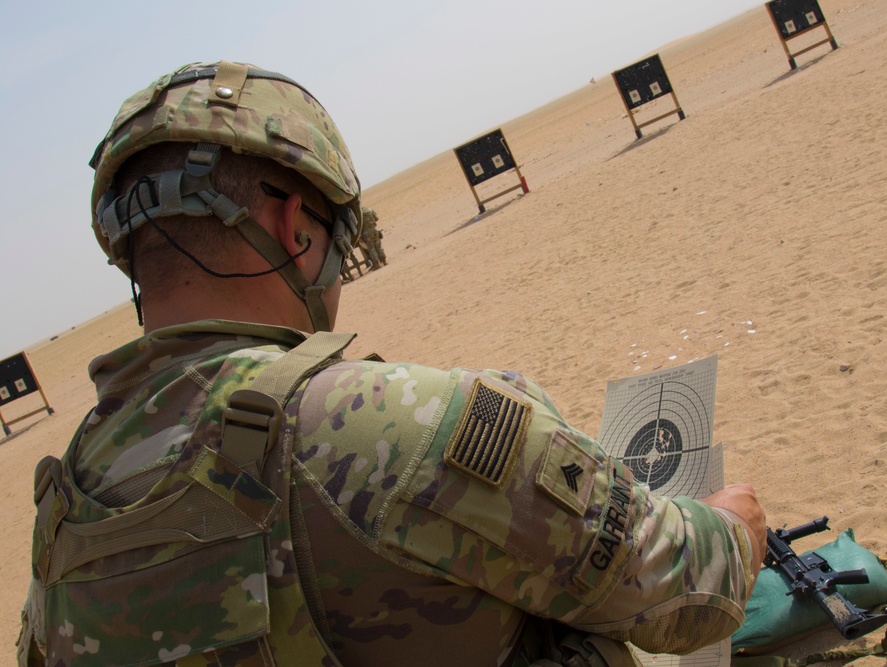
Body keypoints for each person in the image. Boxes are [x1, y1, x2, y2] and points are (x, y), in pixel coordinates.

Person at [17, 61, 766, 667]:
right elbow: (685, 590)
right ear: (294, 226)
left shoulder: (66, 509)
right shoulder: (380, 423)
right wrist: (735, 524)